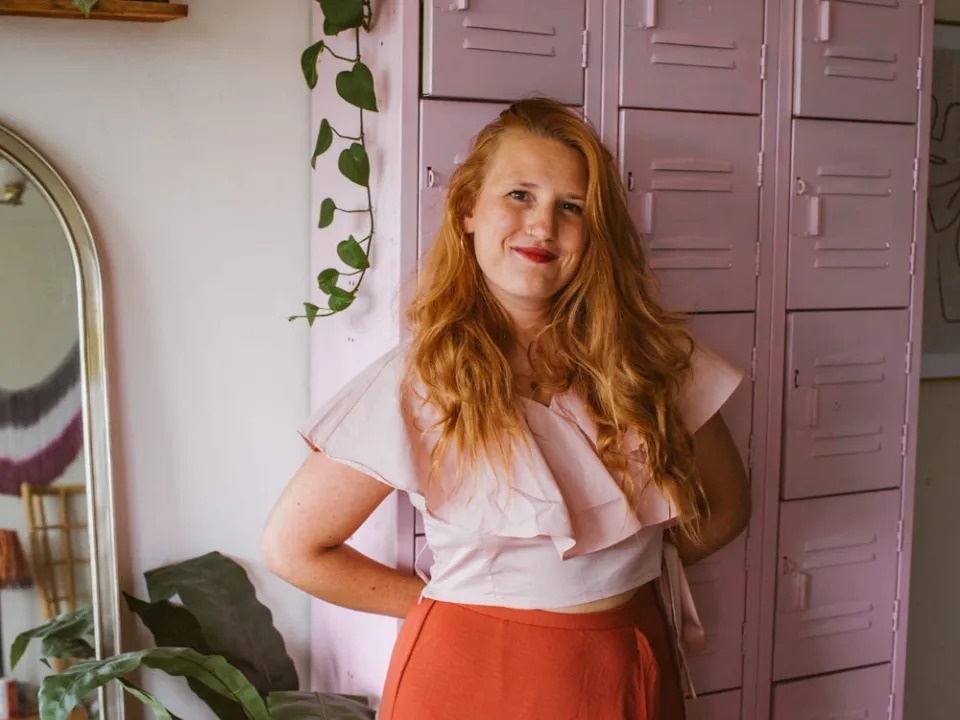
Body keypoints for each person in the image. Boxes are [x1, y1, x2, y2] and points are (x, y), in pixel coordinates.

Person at [261, 96, 750, 720]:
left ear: (593, 231)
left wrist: (617, 574)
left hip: (628, 661)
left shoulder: (653, 361)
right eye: (519, 194)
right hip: (470, 673)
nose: (542, 226)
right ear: (467, 211)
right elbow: (293, 548)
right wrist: (450, 601)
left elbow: (729, 507)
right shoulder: (418, 383)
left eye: (570, 207)